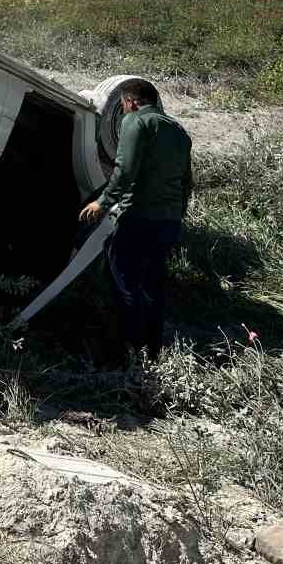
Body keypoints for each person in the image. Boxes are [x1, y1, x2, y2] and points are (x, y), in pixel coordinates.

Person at [77, 78, 192, 362]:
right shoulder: (179, 131)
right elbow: (187, 183)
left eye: (125, 107)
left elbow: (124, 170)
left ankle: (121, 353)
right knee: (152, 284)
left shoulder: (136, 122)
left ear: (130, 102)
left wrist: (101, 203)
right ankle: (152, 350)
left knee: (122, 281)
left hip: (139, 216)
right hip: (169, 221)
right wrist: (177, 214)